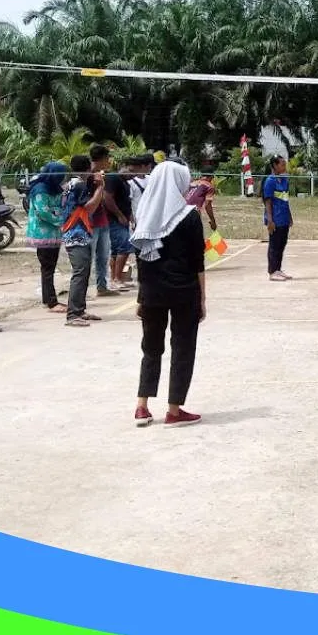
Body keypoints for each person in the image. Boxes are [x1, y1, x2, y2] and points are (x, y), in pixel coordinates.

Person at [130, 161, 206, 428]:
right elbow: (198, 261)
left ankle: (142, 406)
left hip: (151, 292)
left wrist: (140, 297)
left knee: (151, 347)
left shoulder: (143, 214)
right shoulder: (189, 215)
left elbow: (140, 260)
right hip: (184, 291)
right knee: (182, 348)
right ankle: (174, 410)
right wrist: (203, 299)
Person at [62, 154, 109, 327]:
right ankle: (73, 314)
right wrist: (100, 188)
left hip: (78, 232)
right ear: (87, 167)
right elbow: (89, 207)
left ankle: (79, 310)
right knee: (80, 272)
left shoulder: (73, 183)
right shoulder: (79, 184)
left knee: (84, 272)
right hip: (76, 233)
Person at [26, 162, 71, 313]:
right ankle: (51, 302)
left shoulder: (56, 188)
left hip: (54, 233)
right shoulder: (40, 190)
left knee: (50, 267)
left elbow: (60, 206)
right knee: (47, 268)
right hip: (43, 233)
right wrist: (61, 219)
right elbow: (43, 211)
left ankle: (48, 299)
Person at [89, 145, 120, 297]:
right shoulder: (88, 175)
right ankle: (82, 291)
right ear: (102, 158)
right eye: (108, 158)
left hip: (102, 221)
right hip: (90, 222)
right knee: (88, 257)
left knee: (103, 256)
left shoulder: (102, 175)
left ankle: (102, 286)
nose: (109, 161)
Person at [105, 158, 139, 292]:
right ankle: (117, 279)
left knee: (117, 250)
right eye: (130, 170)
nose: (132, 174)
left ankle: (115, 278)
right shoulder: (113, 178)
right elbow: (107, 198)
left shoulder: (126, 183)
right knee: (125, 247)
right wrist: (119, 215)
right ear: (122, 166)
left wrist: (130, 216)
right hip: (114, 219)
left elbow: (126, 201)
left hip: (123, 218)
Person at [263, 156, 293, 281]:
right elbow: (268, 201)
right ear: (275, 166)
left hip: (284, 217)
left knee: (282, 244)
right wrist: (270, 220)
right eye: (282, 164)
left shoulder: (284, 180)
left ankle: (278, 269)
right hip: (275, 218)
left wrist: (290, 216)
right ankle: (272, 271)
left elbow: (285, 199)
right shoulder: (270, 181)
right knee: (274, 245)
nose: (284, 167)